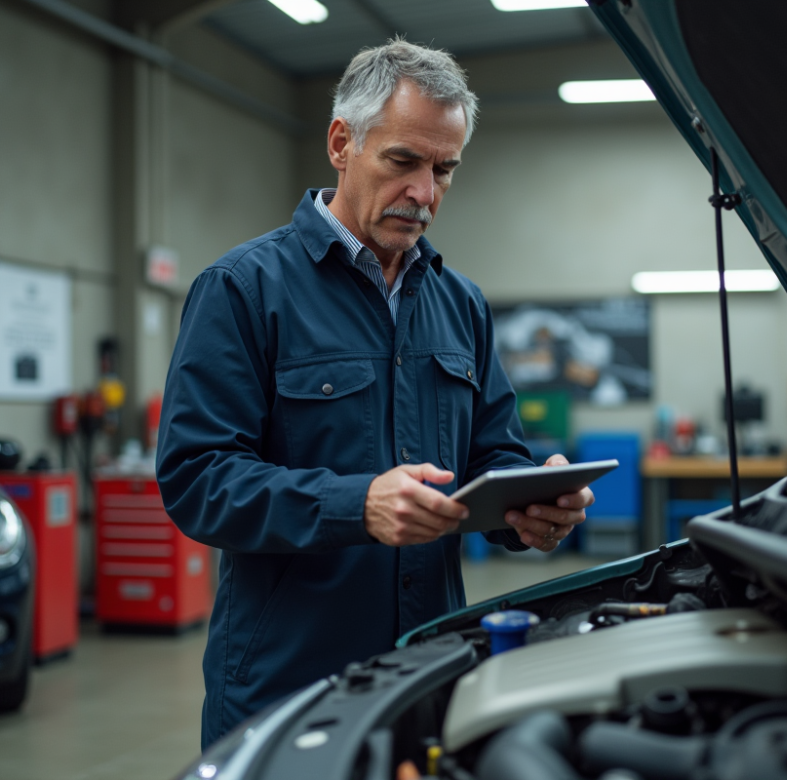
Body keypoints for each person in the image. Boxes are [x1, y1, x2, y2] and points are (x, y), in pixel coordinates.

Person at [156, 39, 595, 750]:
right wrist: (354, 505)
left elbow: (495, 453)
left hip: (425, 672)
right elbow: (197, 480)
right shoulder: (243, 290)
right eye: (403, 162)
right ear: (341, 143)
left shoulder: (462, 305)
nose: (425, 193)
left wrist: (531, 506)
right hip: (287, 686)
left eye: (444, 169)